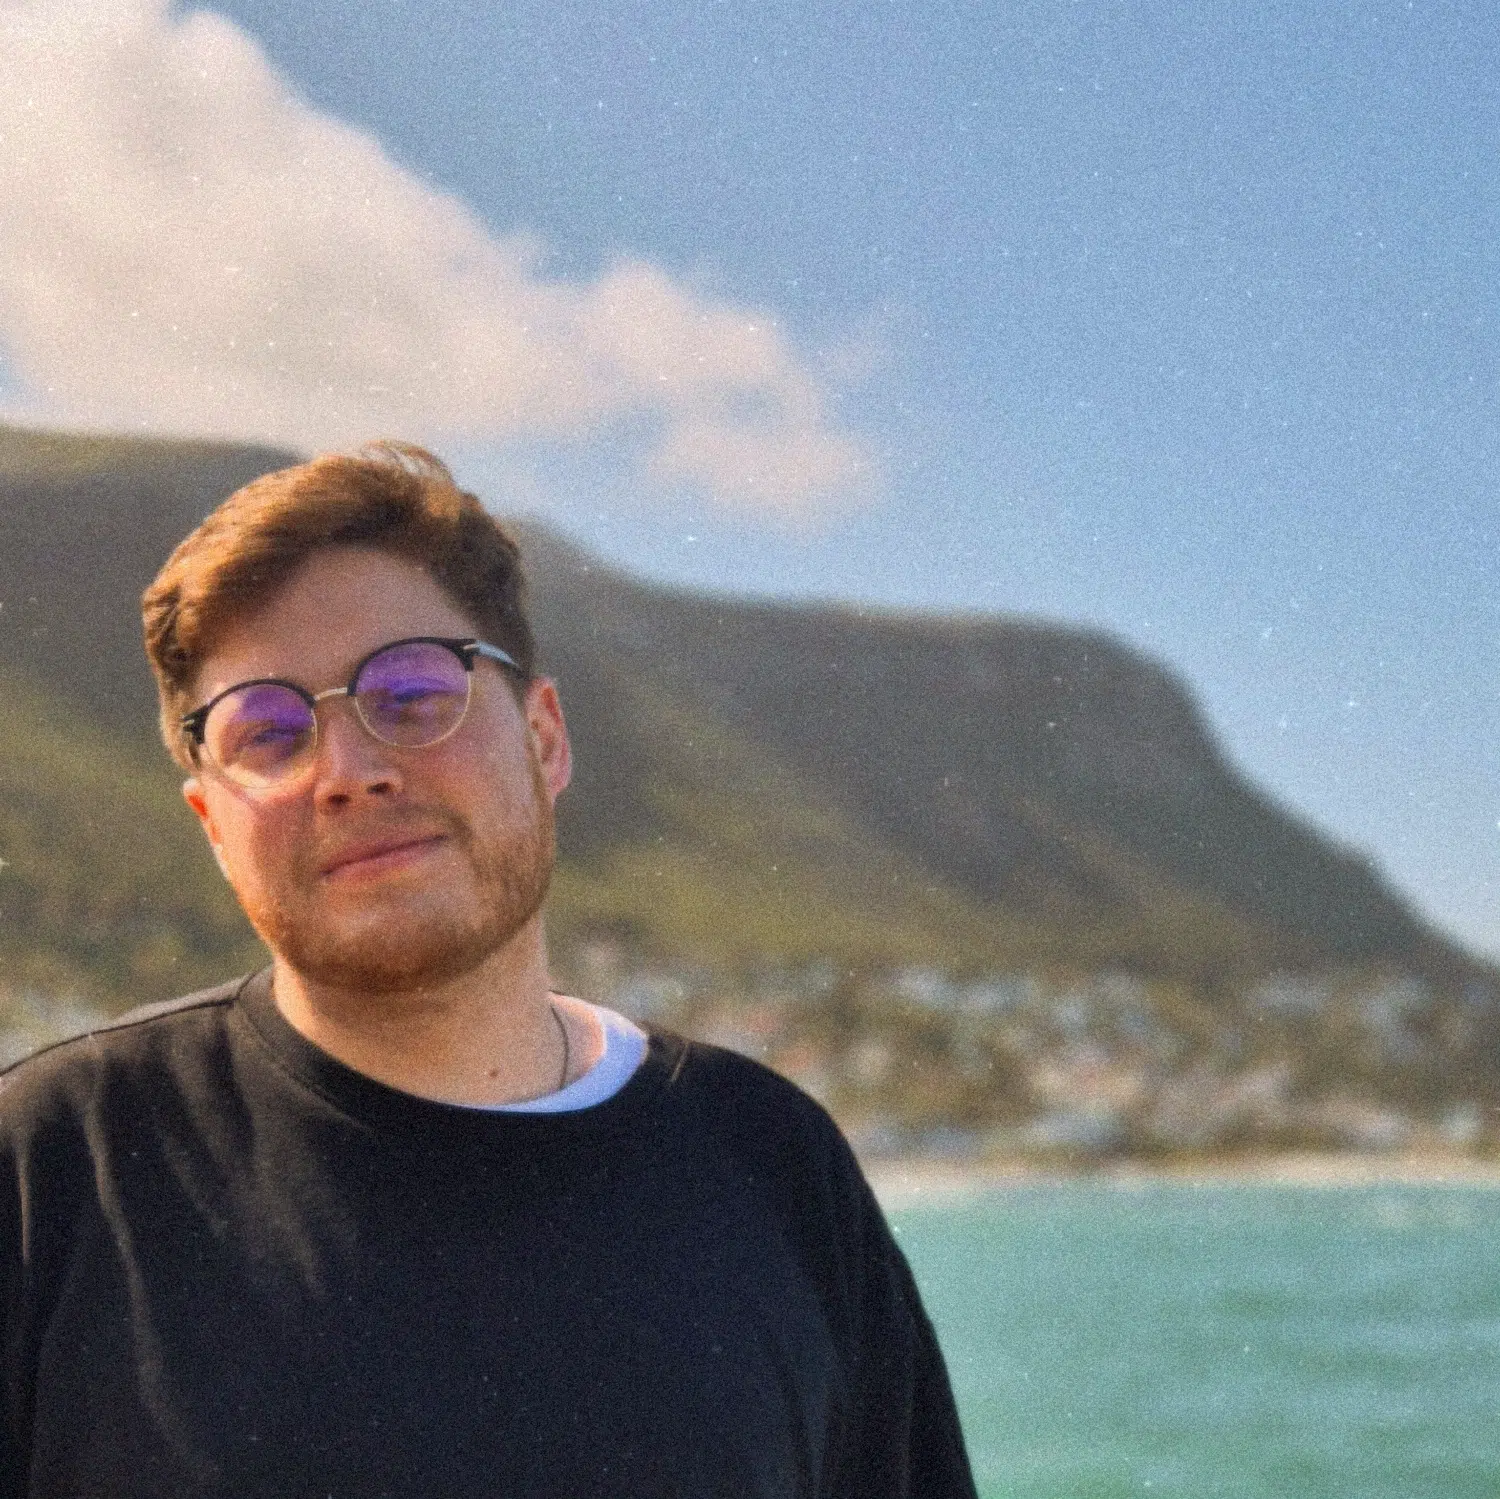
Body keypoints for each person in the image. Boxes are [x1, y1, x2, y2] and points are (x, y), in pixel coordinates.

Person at [0, 444, 977, 1498]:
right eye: (268, 732)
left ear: (544, 739)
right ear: (210, 823)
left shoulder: (773, 1166)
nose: (347, 770)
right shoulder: (57, 1170)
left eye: (412, 691)